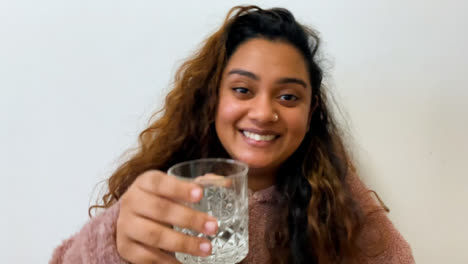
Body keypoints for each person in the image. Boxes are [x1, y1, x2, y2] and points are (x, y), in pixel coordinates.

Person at [50, 5, 414, 264]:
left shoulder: (336, 194)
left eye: (288, 96)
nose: (263, 113)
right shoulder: (168, 188)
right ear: (213, 97)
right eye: (243, 90)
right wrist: (112, 244)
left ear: (311, 110)